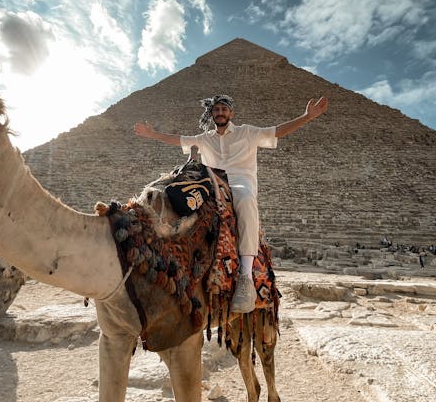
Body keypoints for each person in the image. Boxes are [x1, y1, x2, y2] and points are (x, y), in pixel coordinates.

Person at [134, 94, 328, 313]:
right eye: (216, 109)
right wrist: (152, 134)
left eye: (224, 109)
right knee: (171, 196)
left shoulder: (247, 132)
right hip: (210, 183)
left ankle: (245, 276)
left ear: (231, 113)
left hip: (239, 183)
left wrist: (306, 117)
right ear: (212, 113)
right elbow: (179, 139)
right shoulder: (205, 137)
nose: (220, 112)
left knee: (245, 201)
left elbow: (276, 131)